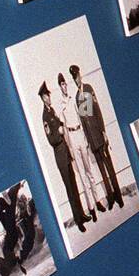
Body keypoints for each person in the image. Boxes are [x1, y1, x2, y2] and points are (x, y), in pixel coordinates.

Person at [40, 81, 92, 232]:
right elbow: (51, 139)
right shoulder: (45, 117)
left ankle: (81, 214)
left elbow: (60, 123)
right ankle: (78, 220)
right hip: (60, 157)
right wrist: (60, 132)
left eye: (49, 95)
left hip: (66, 154)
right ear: (43, 98)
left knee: (74, 186)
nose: (49, 97)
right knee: (69, 189)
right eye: (47, 96)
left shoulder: (52, 112)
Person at [71, 64, 124, 209]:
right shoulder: (77, 97)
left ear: (80, 74)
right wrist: (87, 140)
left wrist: (104, 131)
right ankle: (111, 197)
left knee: (110, 167)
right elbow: (84, 119)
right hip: (92, 141)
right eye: (74, 78)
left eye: (77, 76)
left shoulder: (88, 88)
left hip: (100, 136)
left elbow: (97, 111)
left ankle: (119, 196)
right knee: (102, 171)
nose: (77, 80)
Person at [57, 73, 104, 216]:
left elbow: (81, 117)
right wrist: (69, 147)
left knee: (89, 172)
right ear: (59, 87)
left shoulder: (73, 100)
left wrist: (85, 137)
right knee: (82, 176)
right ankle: (91, 209)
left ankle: (98, 202)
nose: (64, 86)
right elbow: (63, 128)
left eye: (65, 84)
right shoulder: (61, 104)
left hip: (80, 134)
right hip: (72, 137)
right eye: (62, 85)